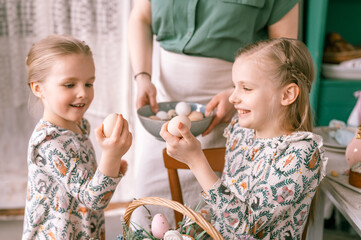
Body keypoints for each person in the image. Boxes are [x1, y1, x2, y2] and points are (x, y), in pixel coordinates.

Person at [128, 0, 300, 228]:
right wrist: (142, 77)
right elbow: (140, 17)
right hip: (164, 106)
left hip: (235, 109)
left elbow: (285, 56)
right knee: (150, 215)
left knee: (214, 217)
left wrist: (239, 94)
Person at [160, 38, 328, 239]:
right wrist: (191, 228)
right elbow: (223, 206)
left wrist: (196, 161)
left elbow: (246, 229)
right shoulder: (241, 132)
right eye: (234, 86)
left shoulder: (300, 153)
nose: (233, 98)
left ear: (287, 94)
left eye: (246, 88)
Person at [22, 35, 132, 240]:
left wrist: (112, 164)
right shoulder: (49, 142)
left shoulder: (80, 125)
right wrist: (111, 156)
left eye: (89, 84)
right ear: (39, 89)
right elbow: (94, 199)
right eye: (70, 85)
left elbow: (82, 183)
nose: (83, 93)